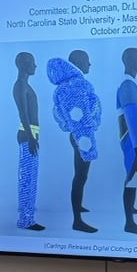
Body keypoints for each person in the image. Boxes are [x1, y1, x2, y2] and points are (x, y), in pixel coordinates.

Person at [47, 48, 102, 233]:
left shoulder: (72, 85)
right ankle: (77, 220)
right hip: (82, 136)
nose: (89, 64)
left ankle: (78, 206)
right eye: (87, 60)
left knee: (82, 175)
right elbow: (79, 116)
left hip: (81, 135)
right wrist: (87, 142)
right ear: (78, 63)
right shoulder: (75, 86)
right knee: (80, 176)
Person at [116, 46, 137, 236]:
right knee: (132, 175)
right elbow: (132, 115)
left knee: (134, 175)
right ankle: (129, 222)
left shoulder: (131, 84)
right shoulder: (128, 86)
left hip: (135, 138)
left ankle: (131, 207)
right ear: (129, 61)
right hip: (132, 139)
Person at [13, 51, 44, 231]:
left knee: (31, 178)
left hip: (31, 134)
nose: (35, 66)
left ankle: (28, 218)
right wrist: (31, 138)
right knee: (27, 178)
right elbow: (23, 113)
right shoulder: (20, 86)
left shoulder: (25, 85)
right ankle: (25, 220)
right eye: (32, 62)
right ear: (24, 64)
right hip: (27, 135)